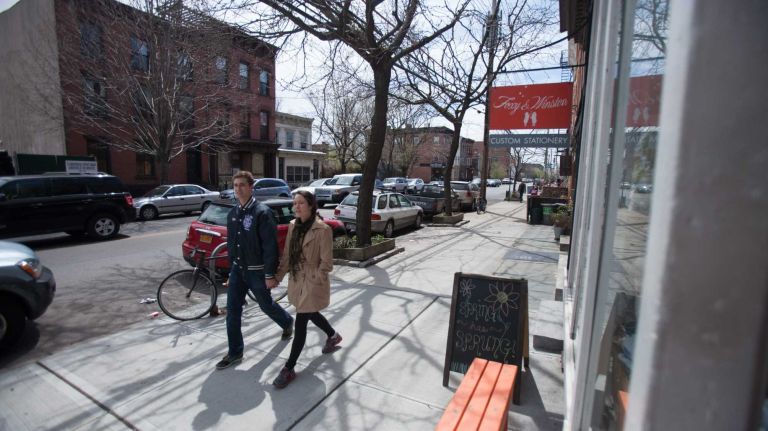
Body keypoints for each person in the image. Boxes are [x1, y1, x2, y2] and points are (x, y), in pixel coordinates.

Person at [215, 171, 294, 370]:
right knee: (232, 311)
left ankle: (286, 322)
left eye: (242, 185)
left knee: (265, 305)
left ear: (251, 187)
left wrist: (270, 275)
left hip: (257, 272)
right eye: (235, 185)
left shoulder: (262, 212)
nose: (238, 189)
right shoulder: (233, 214)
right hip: (238, 271)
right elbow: (232, 245)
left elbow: (270, 247)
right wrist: (230, 272)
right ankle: (235, 352)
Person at [271, 190, 342, 389]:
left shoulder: (323, 229)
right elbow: (286, 256)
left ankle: (289, 367)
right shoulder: (293, 226)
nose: (296, 207)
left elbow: (327, 263)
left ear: (311, 205)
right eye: (295, 203)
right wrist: (278, 277)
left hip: (312, 282)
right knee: (310, 313)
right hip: (296, 279)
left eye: (301, 203)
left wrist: (315, 280)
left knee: (301, 320)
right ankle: (333, 335)